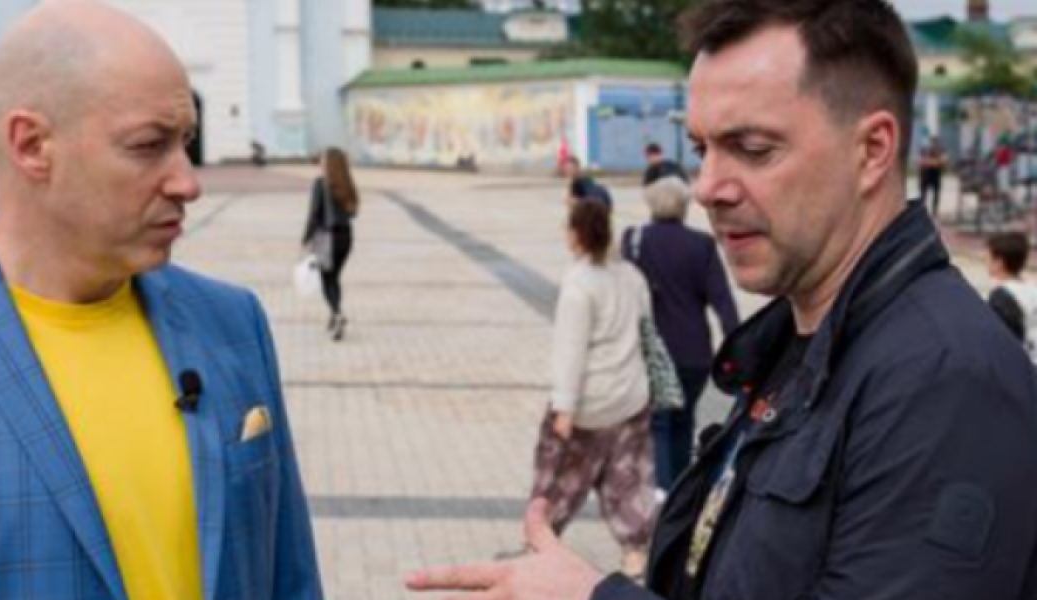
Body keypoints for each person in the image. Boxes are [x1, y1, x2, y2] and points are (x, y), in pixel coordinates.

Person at [407, 1, 1037, 599]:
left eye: (753, 149)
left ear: (872, 150)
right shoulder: (798, 345)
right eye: (701, 149)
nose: (707, 187)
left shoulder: (947, 381)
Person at [0, 2, 323, 600]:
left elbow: (290, 578)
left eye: (187, 142)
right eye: (149, 145)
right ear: (32, 145)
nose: (189, 181)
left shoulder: (233, 322)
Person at [527, 198, 658, 578]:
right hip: (630, 396)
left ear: (576, 234)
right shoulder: (631, 275)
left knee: (559, 481)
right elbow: (648, 334)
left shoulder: (578, 284)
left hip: (589, 403)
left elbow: (571, 349)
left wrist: (564, 408)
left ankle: (541, 543)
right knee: (628, 479)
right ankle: (635, 552)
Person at [622, 177, 739, 493]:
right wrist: (738, 347)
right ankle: (681, 491)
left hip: (652, 352)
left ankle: (663, 494)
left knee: (660, 422)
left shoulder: (635, 241)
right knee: (684, 420)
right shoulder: (702, 245)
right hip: (695, 353)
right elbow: (722, 301)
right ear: (684, 206)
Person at [301, 147, 359, 341]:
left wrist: (305, 239)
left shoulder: (320, 183)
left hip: (326, 237)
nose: (320, 162)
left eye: (323, 159)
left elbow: (314, 215)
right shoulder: (347, 183)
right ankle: (334, 316)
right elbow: (353, 213)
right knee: (334, 278)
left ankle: (337, 313)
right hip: (346, 237)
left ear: (329, 163)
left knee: (327, 280)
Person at [986, 231, 1037, 362]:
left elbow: (1000, 343)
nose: (987, 261)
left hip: (1023, 365)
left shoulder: (1001, 297)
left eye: (989, 257)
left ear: (999, 262)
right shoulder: (1033, 289)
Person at [918, 135, 947, 216]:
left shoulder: (941, 150)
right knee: (923, 195)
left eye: (936, 142)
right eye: (933, 142)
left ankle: (934, 212)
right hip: (926, 176)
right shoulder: (925, 150)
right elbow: (921, 162)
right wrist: (936, 162)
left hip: (935, 176)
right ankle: (922, 212)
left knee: (936, 195)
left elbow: (944, 161)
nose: (934, 144)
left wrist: (930, 162)